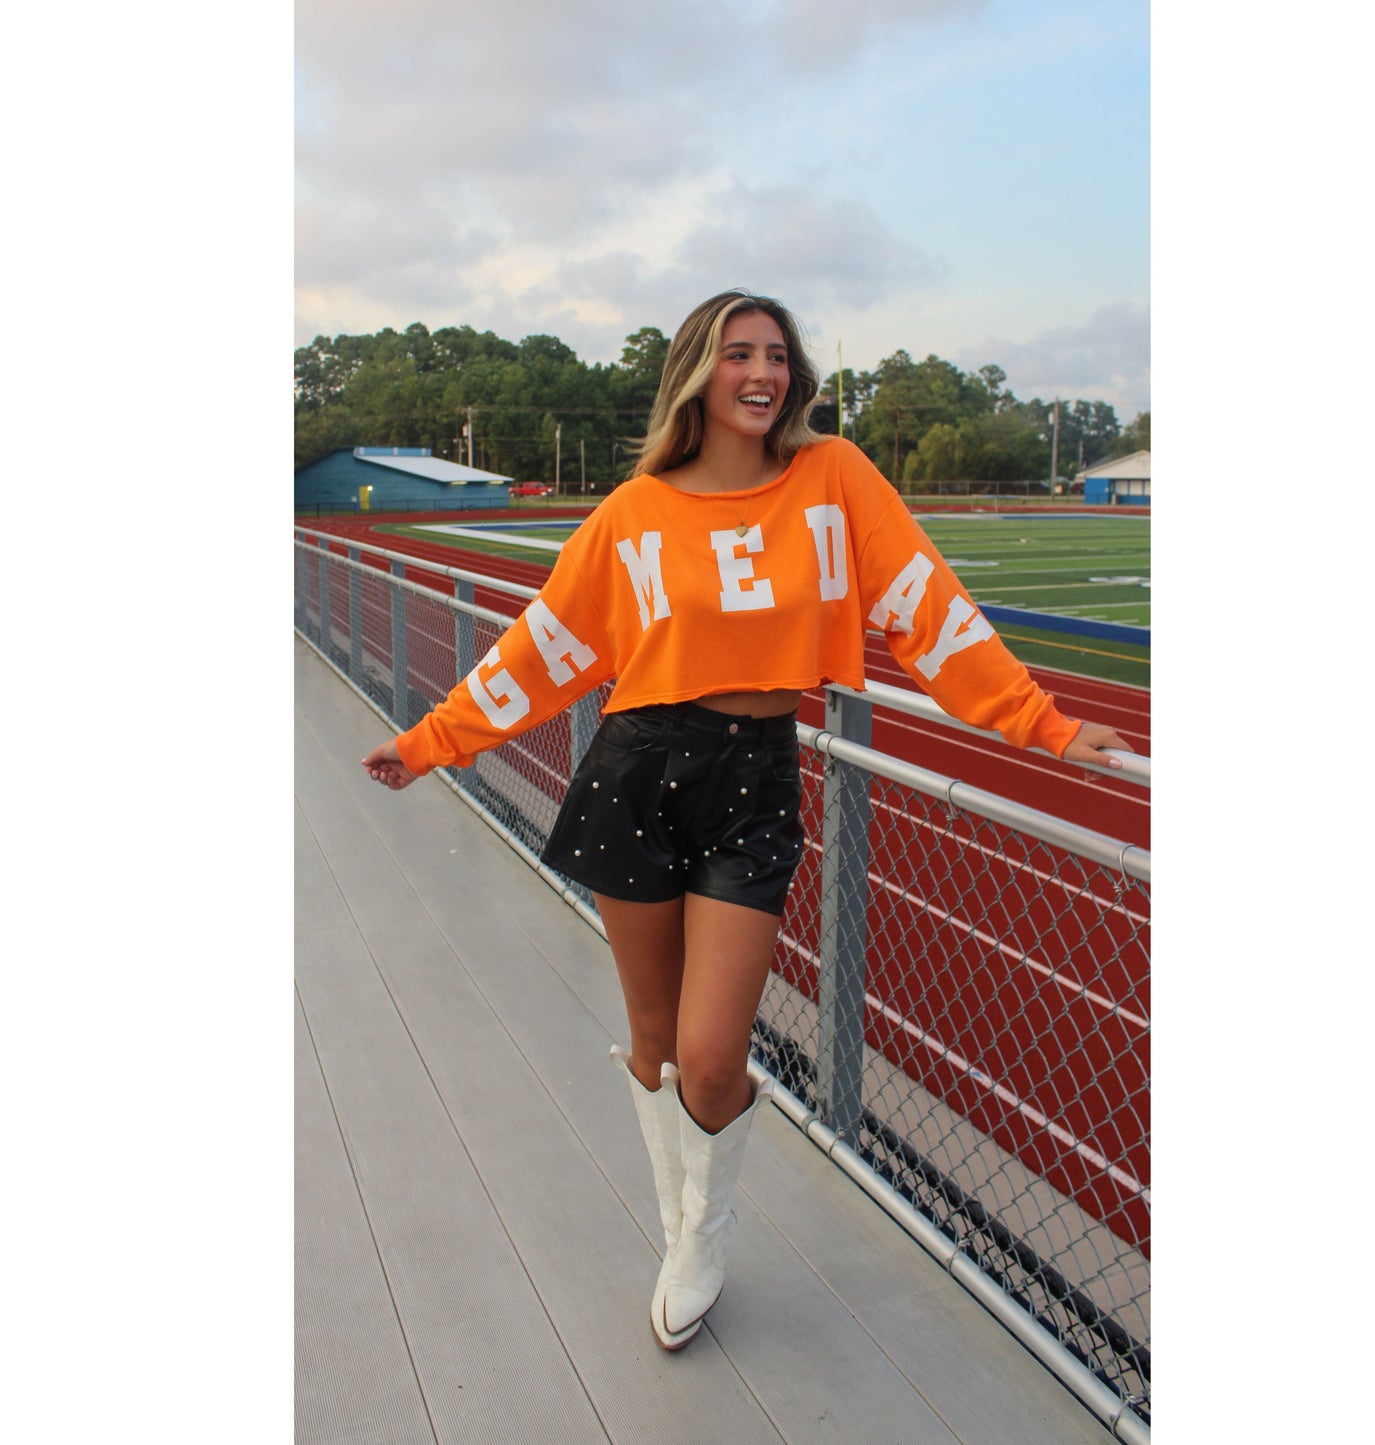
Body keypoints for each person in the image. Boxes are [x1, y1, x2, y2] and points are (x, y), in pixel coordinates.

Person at [361, 288, 1132, 1352]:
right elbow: (542, 647)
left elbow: (925, 604)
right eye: (738, 354)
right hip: (638, 769)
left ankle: (701, 1235)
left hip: (754, 779)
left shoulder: (832, 478)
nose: (762, 372)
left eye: (777, 354)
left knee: (711, 1052)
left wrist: (1042, 724)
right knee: (649, 1039)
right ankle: (674, 1219)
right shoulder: (634, 510)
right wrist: (425, 740)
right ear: (696, 372)